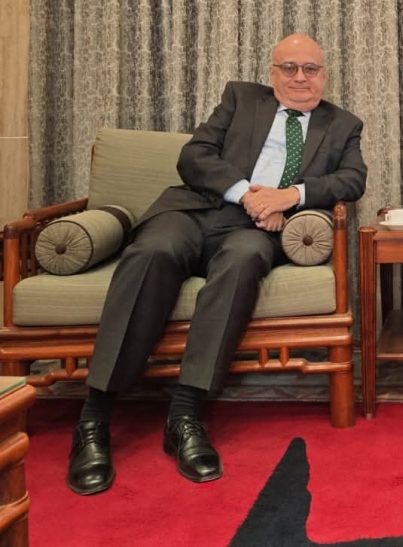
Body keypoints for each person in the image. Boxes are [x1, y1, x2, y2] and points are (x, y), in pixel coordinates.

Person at [66, 33, 368, 495]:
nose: (300, 77)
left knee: (244, 260)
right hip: (194, 212)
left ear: (324, 75)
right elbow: (194, 157)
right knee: (152, 252)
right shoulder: (241, 98)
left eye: (311, 68)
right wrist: (248, 194)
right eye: (289, 67)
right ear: (272, 73)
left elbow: (352, 179)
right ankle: (94, 419)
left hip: (257, 231)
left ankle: (185, 416)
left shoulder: (343, 124)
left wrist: (289, 196)